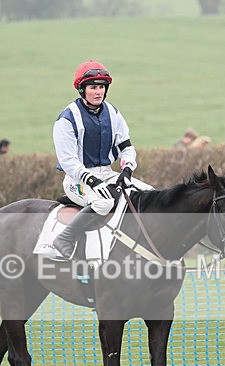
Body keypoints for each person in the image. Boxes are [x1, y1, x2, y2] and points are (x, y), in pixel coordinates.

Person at [51, 59, 153, 259]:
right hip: (77, 179)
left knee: (150, 194)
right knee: (104, 203)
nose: (98, 92)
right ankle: (65, 238)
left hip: (107, 173)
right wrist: (91, 180)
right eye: (93, 88)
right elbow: (68, 161)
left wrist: (127, 170)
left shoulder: (113, 113)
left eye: (101, 88)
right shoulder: (67, 119)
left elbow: (126, 147)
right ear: (82, 90)